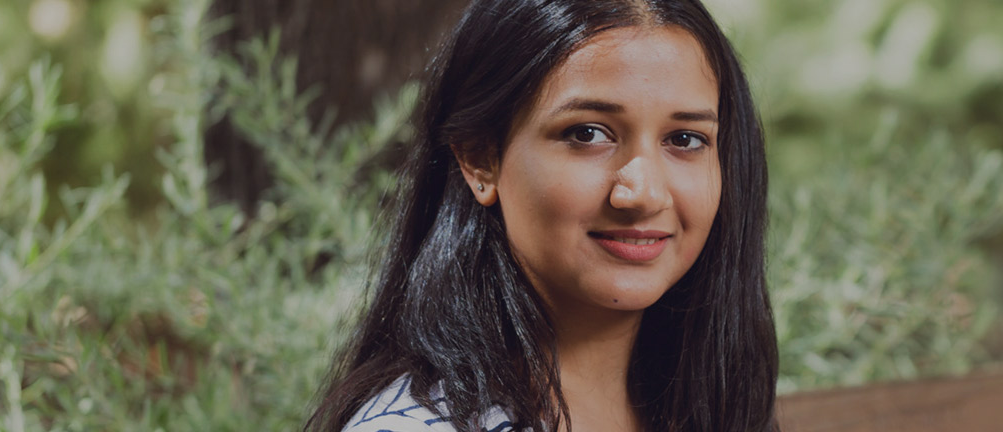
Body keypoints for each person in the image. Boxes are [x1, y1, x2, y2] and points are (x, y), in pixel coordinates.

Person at [302, 0, 777, 430]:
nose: (644, 195)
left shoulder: (711, 407)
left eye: (685, 139)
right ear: (480, 159)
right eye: (588, 134)